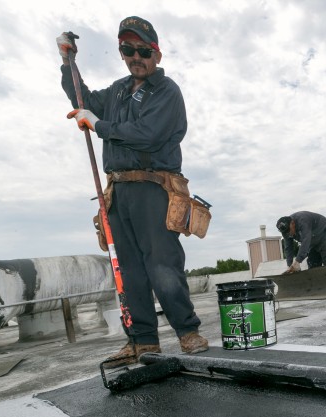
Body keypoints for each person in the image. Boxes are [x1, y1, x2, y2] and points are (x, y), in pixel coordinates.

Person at [56, 16, 208, 366]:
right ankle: (143, 341)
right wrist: (68, 63)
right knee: (127, 269)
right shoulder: (119, 90)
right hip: (118, 192)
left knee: (162, 264)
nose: (135, 56)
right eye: (127, 49)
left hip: (153, 187)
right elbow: (86, 99)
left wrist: (97, 124)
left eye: (143, 50)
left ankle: (187, 332)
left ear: (156, 53)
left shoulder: (167, 92)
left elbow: (147, 133)